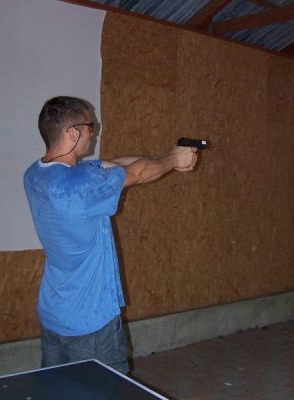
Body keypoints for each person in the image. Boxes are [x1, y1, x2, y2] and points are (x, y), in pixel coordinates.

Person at [23, 96, 198, 374]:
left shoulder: (36, 174)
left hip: (54, 312)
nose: (93, 132)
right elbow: (137, 174)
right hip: (90, 321)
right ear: (72, 133)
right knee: (108, 389)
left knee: (57, 388)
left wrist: (167, 158)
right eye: (89, 126)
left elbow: (114, 164)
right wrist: (175, 160)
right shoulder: (82, 186)